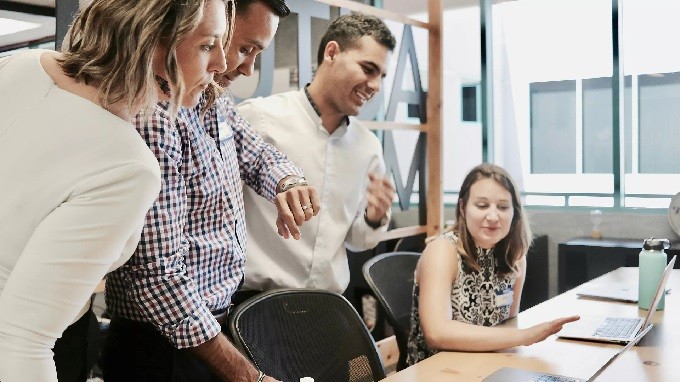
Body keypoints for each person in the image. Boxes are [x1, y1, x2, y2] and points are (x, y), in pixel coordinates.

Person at [0, 0, 235, 381]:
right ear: (151, 40)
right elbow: (20, 342)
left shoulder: (19, 64)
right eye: (208, 45)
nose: (223, 64)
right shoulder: (128, 167)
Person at [102, 1, 309, 381]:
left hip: (211, 327)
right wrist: (249, 376)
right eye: (244, 49)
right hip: (163, 347)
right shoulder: (154, 117)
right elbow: (158, 277)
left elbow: (258, 154)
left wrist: (288, 182)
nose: (246, 68)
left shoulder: (211, 100)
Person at [234, 13, 397, 300]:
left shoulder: (367, 146)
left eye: (381, 76)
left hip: (328, 306)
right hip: (255, 302)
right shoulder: (258, 119)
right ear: (331, 52)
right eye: (368, 69)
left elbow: (358, 240)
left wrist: (374, 217)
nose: (375, 86)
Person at [406, 163, 580, 365]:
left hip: (486, 363)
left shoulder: (515, 257)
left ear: (514, 212)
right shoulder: (443, 251)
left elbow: (507, 325)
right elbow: (437, 333)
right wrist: (526, 336)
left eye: (503, 207)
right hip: (436, 370)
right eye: (482, 206)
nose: (493, 216)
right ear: (462, 208)